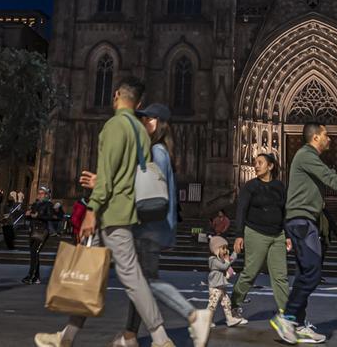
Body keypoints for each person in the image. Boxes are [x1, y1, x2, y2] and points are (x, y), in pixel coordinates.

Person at [33, 78, 173, 347]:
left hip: (112, 214)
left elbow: (108, 175)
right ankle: (66, 336)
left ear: (117, 95)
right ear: (139, 103)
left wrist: (92, 210)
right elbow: (132, 175)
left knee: (132, 278)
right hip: (125, 210)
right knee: (90, 274)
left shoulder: (114, 126)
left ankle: (161, 338)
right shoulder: (141, 133)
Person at [107, 103, 212, 347]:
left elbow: (148, 191)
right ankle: (131, 336)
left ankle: (193, 315)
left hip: (149, 226)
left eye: (148, 119)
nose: (143, 123)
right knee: (140, 283)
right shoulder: (161, 150)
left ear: (158, 124)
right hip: (151, 226)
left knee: (145, 282)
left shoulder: (157, 152)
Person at [271, 122, 337, 346]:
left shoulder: (308, 157)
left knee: (305, 274)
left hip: (306, 220)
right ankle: (287, 319)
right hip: (301, 220)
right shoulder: (306, 155)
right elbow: (331, 178)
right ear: (315, 138)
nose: (329, 138)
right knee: (312, 272)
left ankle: (298, 325)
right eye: (325, 135)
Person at [230, 152, 289, 318]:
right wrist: (239, 235)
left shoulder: (279, 186)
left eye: (260, 162)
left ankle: (286, 313)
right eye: (255, 163)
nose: (256, 165)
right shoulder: (250, 186)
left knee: (280, 276)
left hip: (278, 234)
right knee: (250, 272)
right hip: (256, 232)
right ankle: (234, 302)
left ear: (270, 166)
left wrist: (288, 235)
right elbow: (241, 210)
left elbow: (284, 210)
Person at [207, 235, 247, 326]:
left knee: (226, 303)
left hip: (221, 286)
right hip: (215, 287)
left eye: (226, 248)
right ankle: (207, 320)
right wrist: (227, 260)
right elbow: (224, 266)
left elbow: (229, 261)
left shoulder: (220, 259)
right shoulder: (213, 260)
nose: (225, 250)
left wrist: (235, 253)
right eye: (223, 248)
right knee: (212, 305)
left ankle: (230, 319)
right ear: (216, 249)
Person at [22, 185, 58, 284]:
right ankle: (36, 276)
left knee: (35, 252)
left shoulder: (49, 205)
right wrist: (28, 215)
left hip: (42, 231)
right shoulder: (35, 204)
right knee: (34, 254)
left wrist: (39, 216)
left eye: (42, 193)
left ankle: (31, 276)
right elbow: (31, 217)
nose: (40, 195)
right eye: (39, 193)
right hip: (33, 230)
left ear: (46, 195)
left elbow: (51, 217)